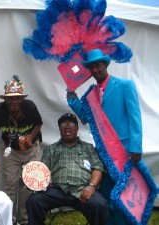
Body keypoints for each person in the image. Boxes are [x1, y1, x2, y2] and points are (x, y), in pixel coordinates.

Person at [67, 49, 142, 225]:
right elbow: (86, 118)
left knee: (126, 193)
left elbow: (135, 118)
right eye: (91, 67)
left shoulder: (125, 85)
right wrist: (74, 101)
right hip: (103, 153)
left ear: (105, 65)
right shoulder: (92, 94)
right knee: (108, 191)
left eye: (98, 66)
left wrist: (136, 146)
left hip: (124, 151)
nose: (95, 70)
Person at [0, 75, 43, 225]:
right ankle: (8, 220)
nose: (14, 101)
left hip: (31, 150)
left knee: (27, 185)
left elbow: (38, 123)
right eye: (10, 98)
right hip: (11, 150)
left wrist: (31, 136)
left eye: (17, 98)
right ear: (4, 99)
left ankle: (24, 220)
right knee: (10, 185)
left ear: (22, 99)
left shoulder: (30, 107)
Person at [26, 113, 108, 225]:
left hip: (83, 190)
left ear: (77, 128)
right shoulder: (51, 149)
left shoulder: (88, 148)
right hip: (56, 190)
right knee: (34, 200)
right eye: (64, 124)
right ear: (59, 129)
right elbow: (42, 171)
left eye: (71, 123)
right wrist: (45, 180)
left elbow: (98, 168)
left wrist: (92, 186)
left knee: (99, 204)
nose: (67, 126)